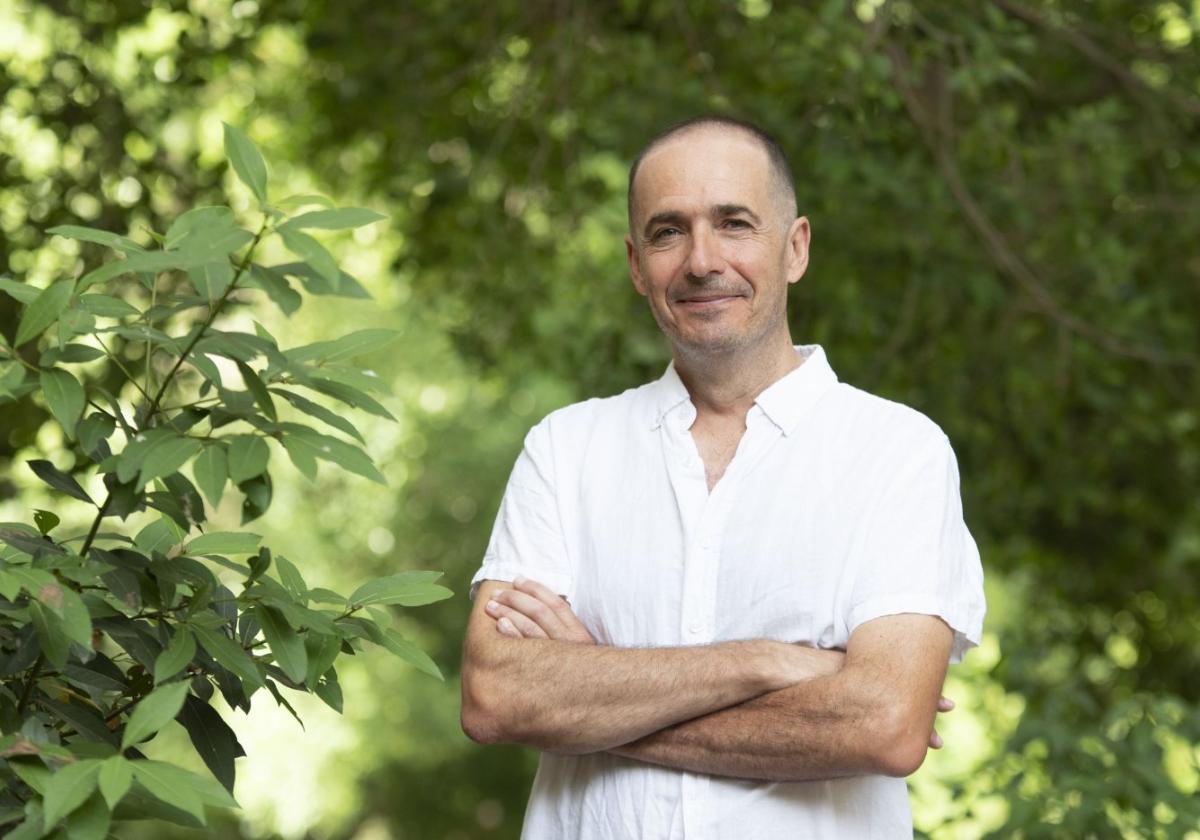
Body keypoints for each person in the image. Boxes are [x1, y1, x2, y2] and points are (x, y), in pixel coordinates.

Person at [460, 115, 986, 839]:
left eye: (734, 223)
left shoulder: (897, 451)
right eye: (668, 231)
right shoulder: (565, 448)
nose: (702, 260)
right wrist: (770, 663)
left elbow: (885, 724)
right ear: (636, 263)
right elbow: (496, 696)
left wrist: (595, 696)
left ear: (794, 248)